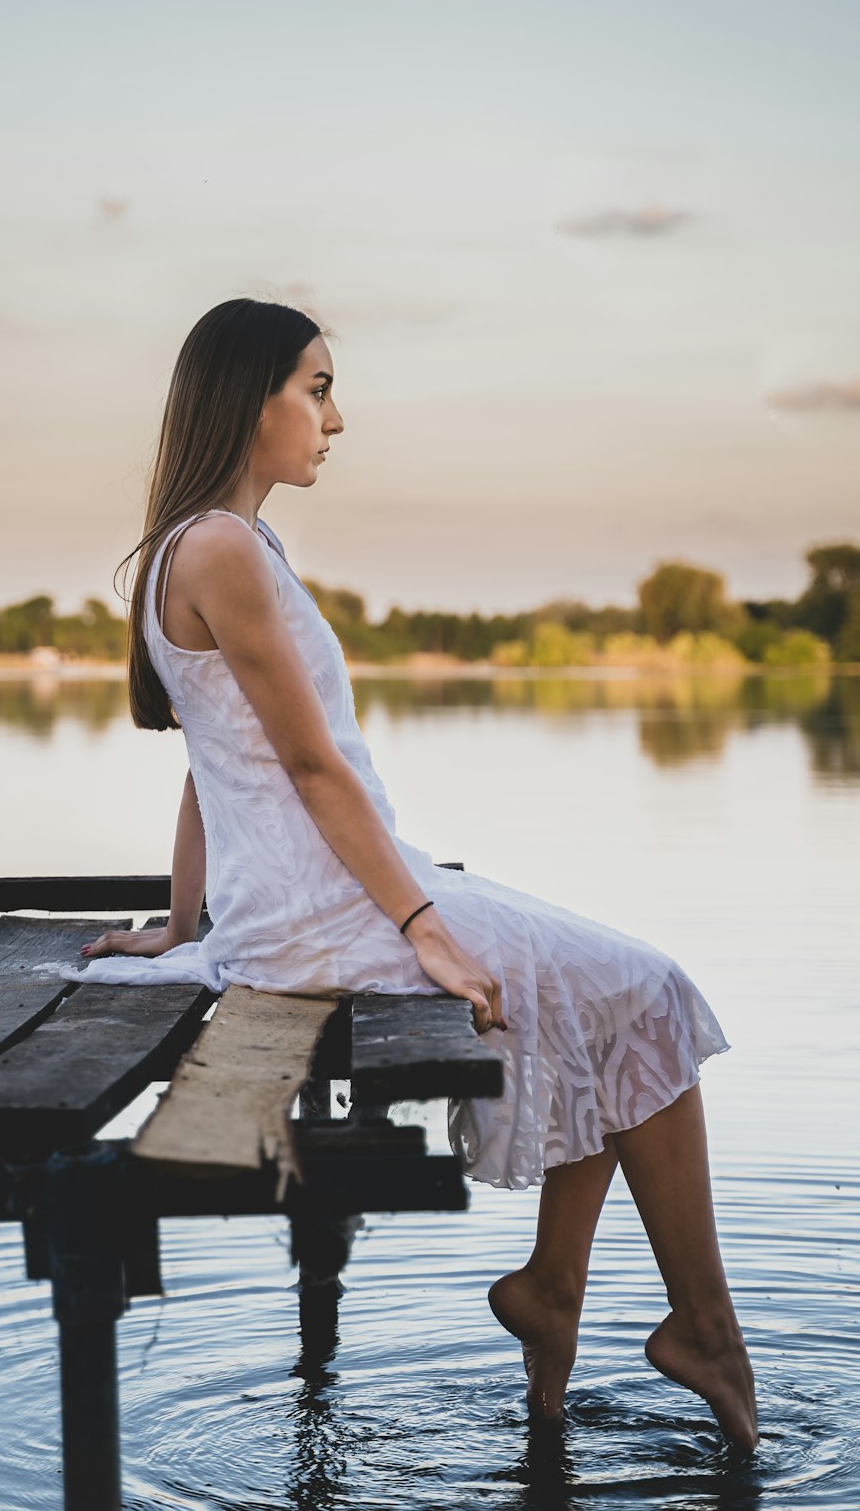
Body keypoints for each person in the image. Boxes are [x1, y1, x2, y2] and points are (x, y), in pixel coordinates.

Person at [74, 298, 757, 1451]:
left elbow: (209, 766)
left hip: (298, 901)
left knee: (611, 994)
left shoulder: (204, 546)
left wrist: (183, 924)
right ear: (252, 400)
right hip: (324, 910)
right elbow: (305, 761)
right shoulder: (223, 548)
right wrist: (423, 923)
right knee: (653, 990)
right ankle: (697, 1326)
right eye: (317, 387)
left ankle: (559, 1297)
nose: (334, 419)